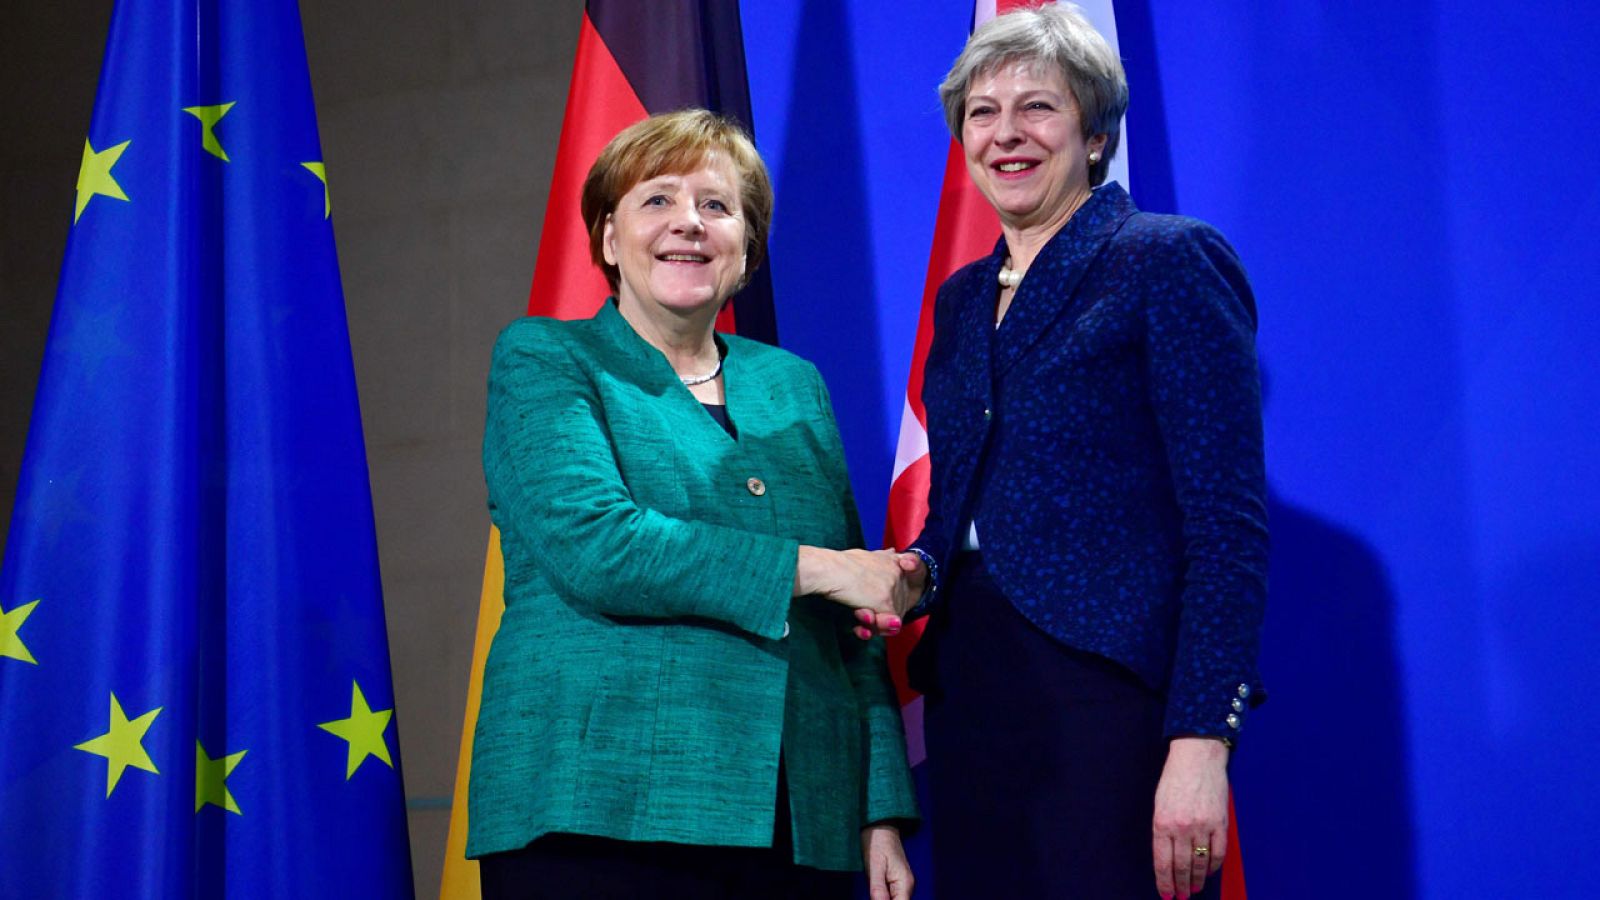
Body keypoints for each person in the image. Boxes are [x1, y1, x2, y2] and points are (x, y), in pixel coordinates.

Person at [469, 109, 919, 900]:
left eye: (716, 205)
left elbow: (858, 630)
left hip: (798, 817)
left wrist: (880, 810)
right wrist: (818, 568)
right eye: (657, 201)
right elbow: (600, 546)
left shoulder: (793, 386)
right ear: (609, 239)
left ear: (745, 250)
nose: (689, 223)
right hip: (598, 811)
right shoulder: (544, 358)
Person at [897, 5, 1268, 898]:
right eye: (982, 113)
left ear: (1095, 135)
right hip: (972, 694)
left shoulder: (1165, 259)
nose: (1006, 133)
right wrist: (902, 575)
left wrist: (1199, 741)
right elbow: (961, 512)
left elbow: (1227, 529)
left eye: (1038, 108)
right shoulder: (959, 300)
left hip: (1107, 697)